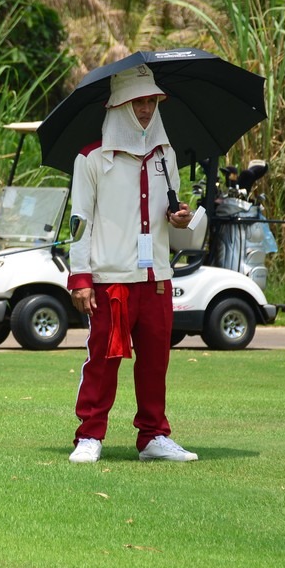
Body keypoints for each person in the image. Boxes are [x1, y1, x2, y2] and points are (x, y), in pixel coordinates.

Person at [66, 63, 198, 464]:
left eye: (152, 101)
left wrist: (179, 218)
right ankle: (89, 435)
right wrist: (80, 277)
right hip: (110, 279)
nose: (145, 109)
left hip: (156, 276)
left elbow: (169, 214)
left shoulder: (165, 154)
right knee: (103, 361)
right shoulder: (91, 158)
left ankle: (154, 436)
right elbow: (79, 221)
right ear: (118, 105)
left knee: (156, 361)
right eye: (137, 101)